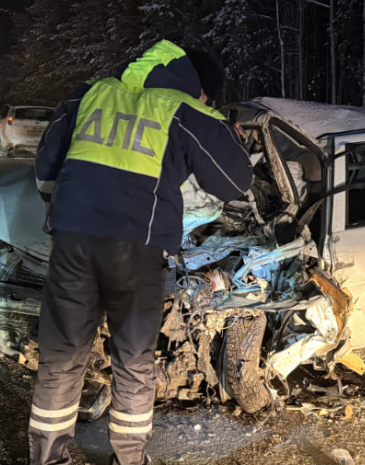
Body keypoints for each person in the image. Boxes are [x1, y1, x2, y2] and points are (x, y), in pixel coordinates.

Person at [31, 40, 254, 465]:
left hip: (72, 243)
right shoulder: (184, 110)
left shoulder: (90, 93)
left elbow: (45, 166)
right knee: (133, 359)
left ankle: (47, 459)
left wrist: (59, 207)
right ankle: (129, 460)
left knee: (62, 356)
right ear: (200, 88)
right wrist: (228, 134)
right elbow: (234, 182)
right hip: (136, 251)